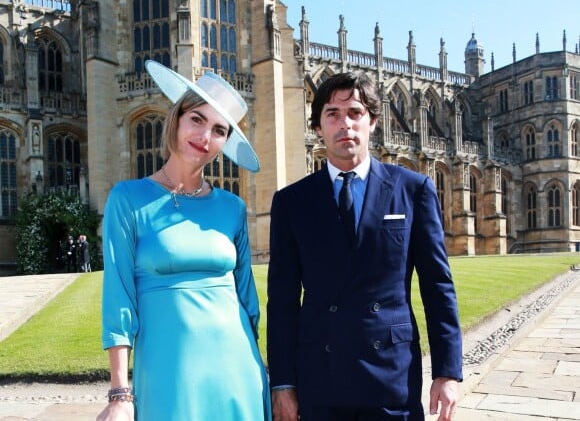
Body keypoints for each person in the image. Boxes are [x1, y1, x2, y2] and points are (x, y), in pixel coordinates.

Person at [267, 72, 462, 421]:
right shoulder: (291, 201)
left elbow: (437, 286)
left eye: (355, 113)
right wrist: (281, 383)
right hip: (320, 379)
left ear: (373, 121)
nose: (345, 124)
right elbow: (282, 301)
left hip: (391, 375)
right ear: (317, 127)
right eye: (333, 114)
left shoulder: (413, 190)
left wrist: (447, 372)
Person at [97, 60, 271, 421]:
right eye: (197, 119)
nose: (205, 137)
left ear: (225, 142)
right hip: (167, 372)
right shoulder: (127, 199)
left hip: (237, 367)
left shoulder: (232, 207)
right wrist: (119, 393)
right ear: (176, 118)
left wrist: (266, 373)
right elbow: (118, 298)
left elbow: (247, 301)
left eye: (219, 130)